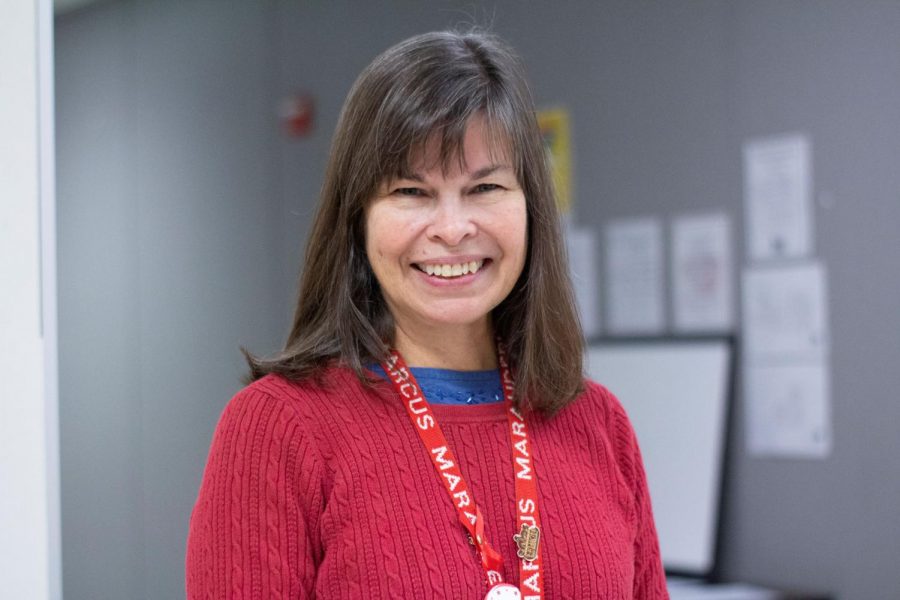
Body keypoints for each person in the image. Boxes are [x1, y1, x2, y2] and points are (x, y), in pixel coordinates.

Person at [186, 30, 668, 600]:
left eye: (485, 186)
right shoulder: (278, 430)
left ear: (530, 208)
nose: (453, 228)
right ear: (357, 218)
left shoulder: (599, 426)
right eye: (412, 192)